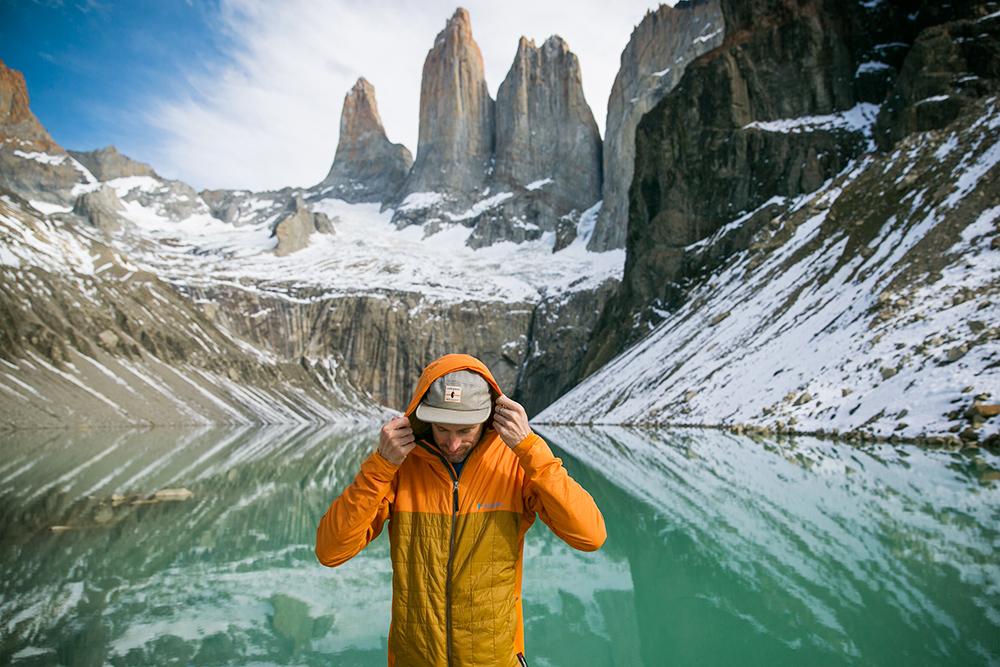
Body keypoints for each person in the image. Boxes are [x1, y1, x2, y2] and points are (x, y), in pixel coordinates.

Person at [315, 352, 607, 666]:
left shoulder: (516, 465)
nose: (453, 444)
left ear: (488, 418)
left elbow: (590, 535)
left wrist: (531, 449)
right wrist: (380, 468)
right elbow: (330, 551)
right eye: (442, 429)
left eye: (465, 431)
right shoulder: (400, 467)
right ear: (424, 418)